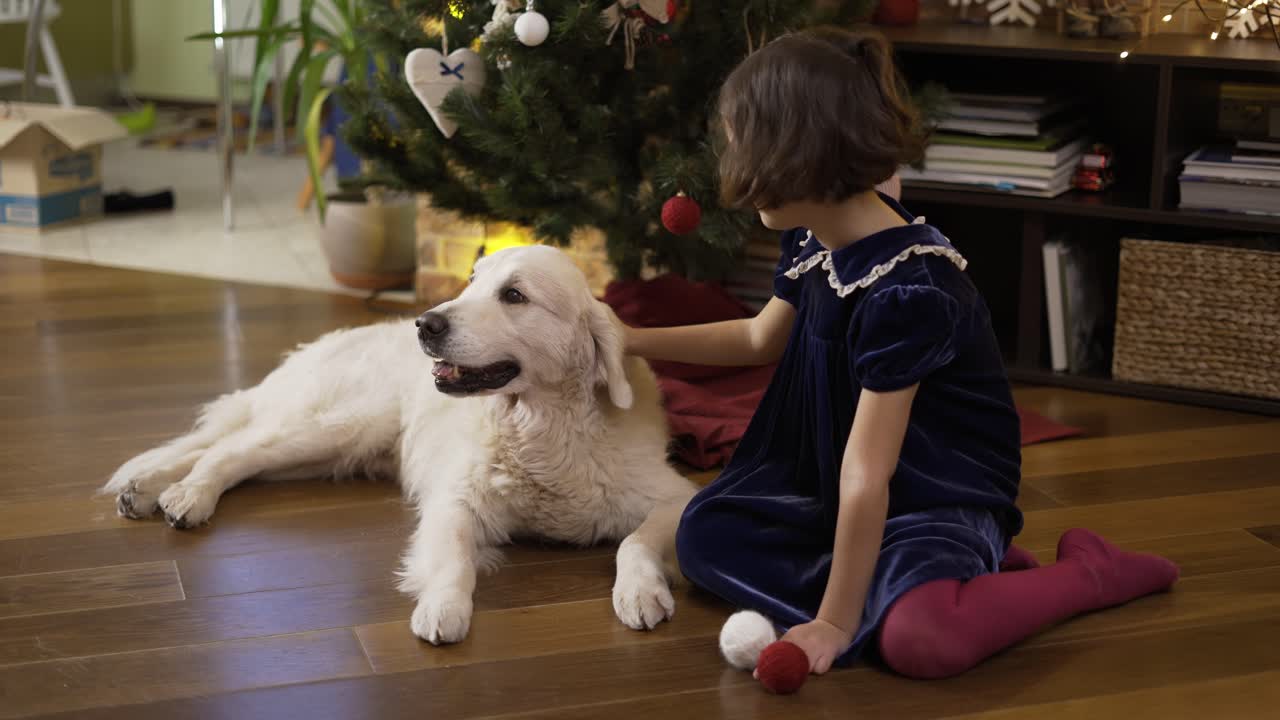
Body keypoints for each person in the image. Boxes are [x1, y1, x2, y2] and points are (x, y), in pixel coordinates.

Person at [624, 26, 1178, 680]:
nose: (733, 164)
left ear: (796, 153)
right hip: (838, 488)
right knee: (703, 537)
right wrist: (629, 338)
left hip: (931, 497)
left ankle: (1085, 573)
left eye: (742, 142)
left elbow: (868, 474)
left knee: (922, 641)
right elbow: (756, 339)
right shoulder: (816, 235)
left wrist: (833, 623)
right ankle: (936, 583)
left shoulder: (910, 293)